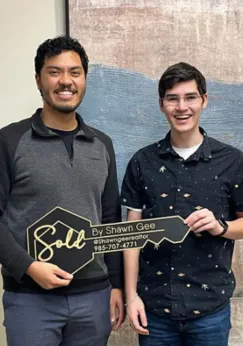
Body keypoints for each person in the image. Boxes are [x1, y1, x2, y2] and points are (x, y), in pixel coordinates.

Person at [0, 35, 124, 346]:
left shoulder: (103, 144)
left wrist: (117, 286)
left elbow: (110, 220)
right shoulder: (8, 141)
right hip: (30, 298)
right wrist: (28, 266)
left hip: (95, 296)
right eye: (54, 72)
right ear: (38, 80)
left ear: (84, 79)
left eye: (75, 72)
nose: (65, 81)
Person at [121, 62, 243, 346]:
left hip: (210, 310)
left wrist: (221, 226)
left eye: (190, 97)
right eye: (172, 98)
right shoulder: (142, 162)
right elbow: (131, 236)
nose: (182, 107)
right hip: (154, 310)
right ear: (162, 104)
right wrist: (131, 297)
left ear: (204, 100)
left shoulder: (233, 162)